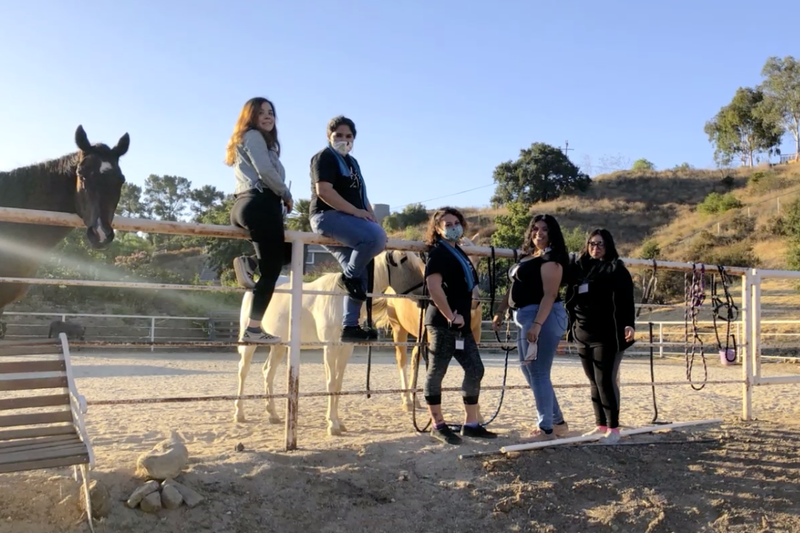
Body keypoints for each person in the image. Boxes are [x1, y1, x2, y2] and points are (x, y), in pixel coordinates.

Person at [309, 116, 386, 342]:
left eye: (348, 136)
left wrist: (371, 216)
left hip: (350, 221)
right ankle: (348, 277)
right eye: (338, 135)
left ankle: (350, 326)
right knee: (374, 242)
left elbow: (361, 196)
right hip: (327, 217)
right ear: (329, 136)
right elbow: (324, 191)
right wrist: (356, 212)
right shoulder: (323, 158)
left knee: (362, 271)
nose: (344, 140)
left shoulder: (353, 162)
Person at [492, 214, 570, 441]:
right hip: (523, 316)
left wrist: (537, 324)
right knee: (530, 370)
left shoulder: (551, 260)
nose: (538, 233)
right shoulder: (530, 257)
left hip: (541, 316)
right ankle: (557, 422)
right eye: (535, 228)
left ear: (552, 233)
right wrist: (500, 310)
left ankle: (545, 429)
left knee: (538, 371)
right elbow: (514, 286)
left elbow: (550, 295)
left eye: (544, 229)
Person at [422, 207, 495, 445]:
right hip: (444, 324)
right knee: (437, 372)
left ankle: (471, 424)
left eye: (456, 222)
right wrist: (451, 316)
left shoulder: (458, 252)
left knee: (475, 369)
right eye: (447, 224)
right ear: (437, 229)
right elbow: (433, 288)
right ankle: (438, 425)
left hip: (461, 323)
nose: (453, 227)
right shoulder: (438, 253)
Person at [227, 97, 292, 344]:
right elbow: (265, 171)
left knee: (289, 252)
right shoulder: (252, 135)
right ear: (250, 116)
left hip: (248, 204)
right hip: (260, 203)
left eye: (271, 112)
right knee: (272, 269)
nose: (268, 116)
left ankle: (250, 263)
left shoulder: (261, 143)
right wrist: (285, 193)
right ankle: (253, 329)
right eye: (261, 112)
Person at [564, 229, 635, 444]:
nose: (595, 248)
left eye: (600, 244)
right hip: (582, 332)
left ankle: (613, 429)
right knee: (593, 381)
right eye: (592, 243)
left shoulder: (616, 269)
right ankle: (600, 424)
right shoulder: (578, 268)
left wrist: (629, 324)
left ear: (608, 246)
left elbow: (626, 299)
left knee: (605, 380)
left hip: (607, 333)